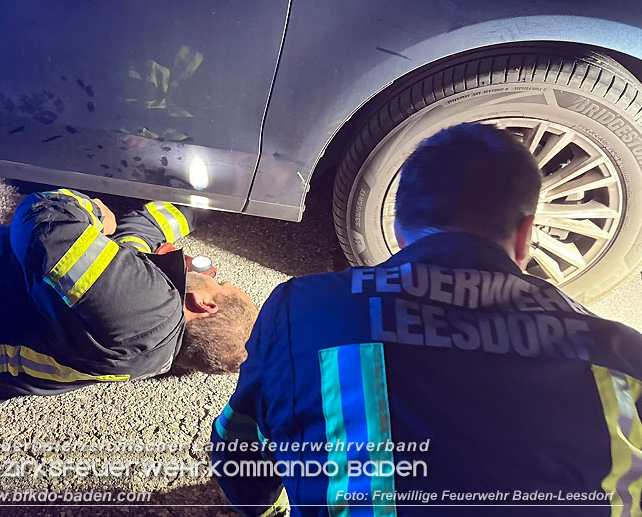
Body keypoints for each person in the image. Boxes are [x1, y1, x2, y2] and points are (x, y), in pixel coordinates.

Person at [210, 123, 642, 516]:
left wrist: (265, 511)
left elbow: (240, 443)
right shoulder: (622, 355)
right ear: (526, 233)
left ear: (399, 228)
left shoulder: (305, 308)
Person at [0, 188, 257, 424]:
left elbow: (42, 221)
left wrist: (93, 212)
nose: (213, 273)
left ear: (204, 305)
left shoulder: (147, 311)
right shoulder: (154, 338)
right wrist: (194, 207)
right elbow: (128, 250)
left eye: (219, 282)